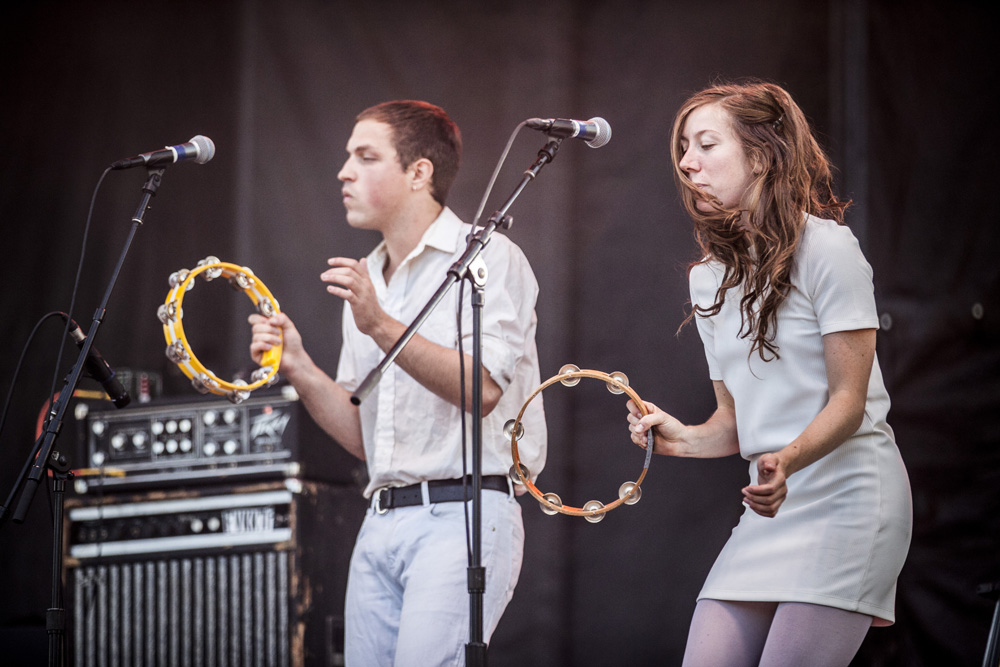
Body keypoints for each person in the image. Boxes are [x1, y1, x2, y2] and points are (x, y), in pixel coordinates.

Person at [249, 100, 546, 666]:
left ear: (419, 173)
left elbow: (482, 389)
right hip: (382, 517)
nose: (344, 171)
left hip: (463, 512)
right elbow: (364, 438)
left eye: (365, 156)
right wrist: (300, 367)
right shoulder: (368, 281)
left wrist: (380, 325)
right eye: (346, 157)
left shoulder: (488, 258)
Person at [627, 81, 912, 666]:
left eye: (707, 144)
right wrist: (679, 437)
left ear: (760, 156)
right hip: (770, 509)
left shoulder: (828, 250)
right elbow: (734, 425)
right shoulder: (707, 278)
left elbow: (848, 402)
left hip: (848, 500)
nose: (686, 162)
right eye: (684, 146)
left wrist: (787, 460)